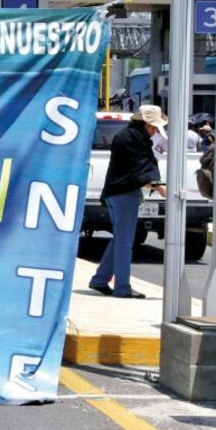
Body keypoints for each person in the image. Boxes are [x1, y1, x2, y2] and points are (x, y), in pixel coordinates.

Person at [89, 104, 167, 299]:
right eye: (155, 126)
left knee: (120, 239)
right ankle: (122, 287)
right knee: (125, 242)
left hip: (119, 192)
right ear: (146, 123)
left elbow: (137, 169)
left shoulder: (130, 136)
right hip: (123, 194)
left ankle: (100, 279)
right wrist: (159, 186)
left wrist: (155, 183)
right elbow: (141, 169)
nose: (156, 130)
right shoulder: (133, 139)